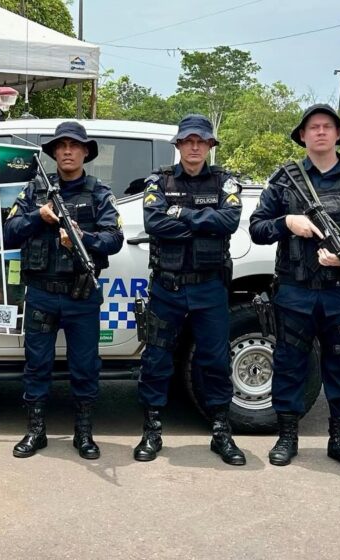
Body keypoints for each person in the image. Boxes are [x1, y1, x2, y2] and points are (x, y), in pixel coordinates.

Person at [249, 104, 340, 471]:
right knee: (288, 363)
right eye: (312, 127)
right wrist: (287, 221)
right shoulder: (285, 179)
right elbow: (257, 228)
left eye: (327, 126)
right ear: (302, 135)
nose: (320, 132)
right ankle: (287, 437)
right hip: (295, 289)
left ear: (338, 134)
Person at [3, 121, 124, 460]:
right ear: (54, 152)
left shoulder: (100, 193)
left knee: (85, 365)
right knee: (36, 363)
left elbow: (115, 239)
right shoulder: (35, 191)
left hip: (81, 295)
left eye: (75, 145)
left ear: (86, 152)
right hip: (41, 293)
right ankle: (36, 431)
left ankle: (84, 434)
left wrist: (84, 238)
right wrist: (38, 217)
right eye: (62, 145)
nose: (68, 151)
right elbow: (10, 231)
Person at [134, 114, 246, 466]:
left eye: (201, 141)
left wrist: (180, 213)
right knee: (156, 359)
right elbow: (155, 222)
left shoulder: (225, 182)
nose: (194, 146)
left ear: (210, 145)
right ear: (178, 145)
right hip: (167, 287)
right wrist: (202, 223)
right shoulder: (159, 181)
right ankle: (152, 430)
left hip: (209, 287)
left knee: (214, 359)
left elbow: (229, 222)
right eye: (188, 140)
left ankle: (220, 430)